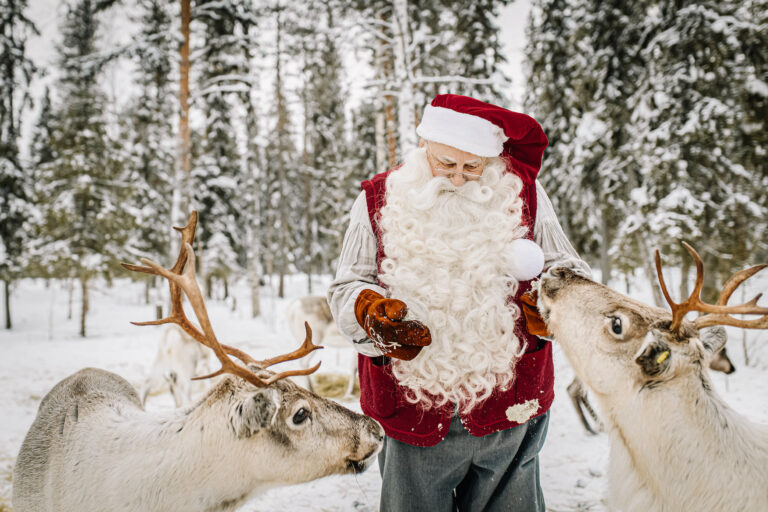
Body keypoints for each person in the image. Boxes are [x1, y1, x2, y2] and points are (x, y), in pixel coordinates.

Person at [328, 94, 591, 511]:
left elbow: (570, 271)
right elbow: (347, 285)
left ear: (493, 158)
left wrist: (553, 301)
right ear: (424, 146)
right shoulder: (378, 198)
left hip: (510, 408)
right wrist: (369, 313)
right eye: (446, 163)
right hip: (410, 412)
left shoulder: (524, 193)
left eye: (473, 167)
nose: (457, 178)